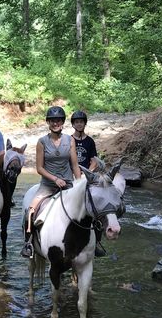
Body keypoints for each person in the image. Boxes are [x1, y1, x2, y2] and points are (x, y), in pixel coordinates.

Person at [21, 106, 83, 258]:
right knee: (32, 209)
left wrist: (80, 183)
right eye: (53, 121)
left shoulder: (70, 140)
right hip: (48, 185)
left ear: (63, 122)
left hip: (68, 184)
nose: (56, 123)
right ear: (48, 123)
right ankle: (28, 243)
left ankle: (93, 244)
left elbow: (74, 164)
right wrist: (55, 179)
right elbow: (39, 168)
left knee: (87, 208)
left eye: (59, 120)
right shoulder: (42, 142)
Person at [70, 110, 106, 257]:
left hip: (87, 176)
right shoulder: (68, 139)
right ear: (73, 124)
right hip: (71, 175)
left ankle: (97, 241)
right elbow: (69, 160)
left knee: (97, 206)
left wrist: (87, 172)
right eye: (76, 122)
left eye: (81, 121)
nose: (79, 124)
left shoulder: (90, 141)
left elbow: (94, 159)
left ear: (85, 123)